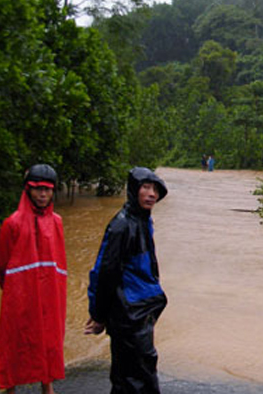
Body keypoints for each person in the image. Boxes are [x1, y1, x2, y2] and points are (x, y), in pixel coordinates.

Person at [85, 167, 168, 394]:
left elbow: (147, 268)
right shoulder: (122, 225)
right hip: (127, 312)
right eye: (146, 188)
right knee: (132, 377)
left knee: (138, 372)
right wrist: (99, 314)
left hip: (141, 309)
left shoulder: (142, 221)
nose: (152, 194)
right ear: (134, 190)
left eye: (155, 189)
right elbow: (104, 272)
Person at [0, 164, 66, 394]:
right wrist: (17, 292)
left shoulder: (57, 222)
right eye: (37, 189)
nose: (42, 195)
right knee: (14, 341)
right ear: (27, 190)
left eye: (47, 189)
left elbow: (60, 264)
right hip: (20, 297)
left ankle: (47, 385)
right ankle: (10, 388)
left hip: (49, 296)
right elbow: (0, 267)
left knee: (48, 339)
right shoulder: (11, 224)